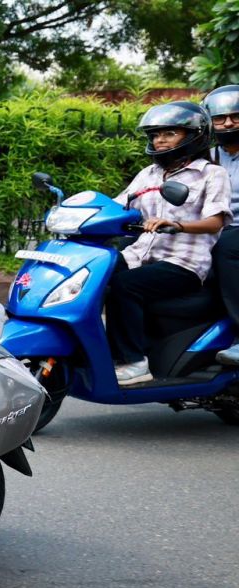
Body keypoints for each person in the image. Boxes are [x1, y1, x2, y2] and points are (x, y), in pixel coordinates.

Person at [106, 101, 232, 386]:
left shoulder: (211, 174)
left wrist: (177, 225)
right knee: (96, 272)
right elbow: (118, 206)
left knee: (126, 286)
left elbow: (216, 221)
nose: (160, 140)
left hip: (183, 264)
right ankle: (102, 350)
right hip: (140, 255)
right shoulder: (148, 174)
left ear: (193, 136)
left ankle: (135, 362)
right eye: (155, 135)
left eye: (169, 133)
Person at [203, 85, 239, 365]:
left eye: (235, 116)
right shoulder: (206, 156)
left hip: (234, 231)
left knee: (225, 247)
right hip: (211, 228)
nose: (228, 123)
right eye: (220, 118)